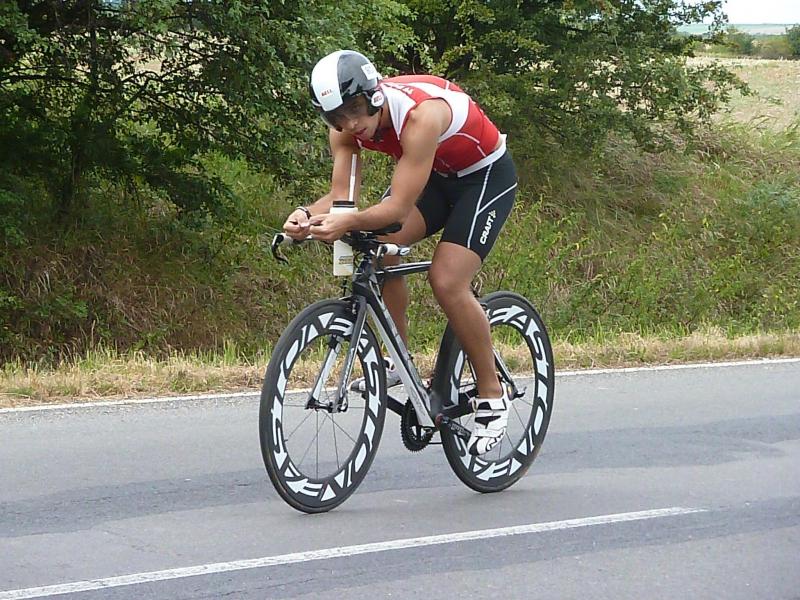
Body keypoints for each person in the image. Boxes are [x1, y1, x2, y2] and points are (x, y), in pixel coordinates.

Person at [282, 50, 517, 456]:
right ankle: (398, 361)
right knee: (378, 250)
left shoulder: (421, 116)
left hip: (483, 178)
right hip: (433, 175)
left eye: (355, 110)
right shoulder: (345, 130)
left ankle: (492, 395)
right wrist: (305, 215)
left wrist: (346, 222)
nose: (350, 124)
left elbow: (397, 210)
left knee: (446, 280)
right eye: (336, 117)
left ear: (373, 96)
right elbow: (342, 198)